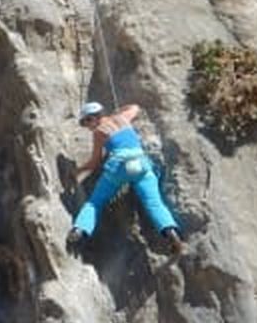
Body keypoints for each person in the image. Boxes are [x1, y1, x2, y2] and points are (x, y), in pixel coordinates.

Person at [66, 101, 184, 254]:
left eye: (87, 121)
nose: (88, 126)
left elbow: (94, 163)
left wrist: (76, 171)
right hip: (141, 164)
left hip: (119, 166)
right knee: (154, 203)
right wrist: (117, 111)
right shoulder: (123, 118)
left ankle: (80, 229)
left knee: (96, 202)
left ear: (94, 117)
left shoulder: (99, 131)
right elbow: (135, 107)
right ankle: (171, 233)